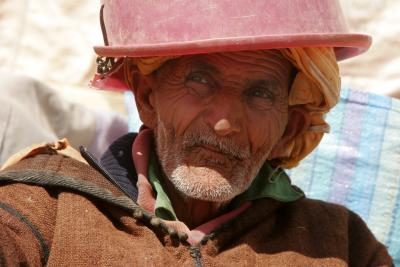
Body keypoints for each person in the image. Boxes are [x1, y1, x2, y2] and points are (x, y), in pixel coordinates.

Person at [0, 0, 393, 266]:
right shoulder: (46, 206)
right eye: (200, 80)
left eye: (260, 93)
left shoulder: (342, 244)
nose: (225, 123)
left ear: (288, 126)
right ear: (147, 96)